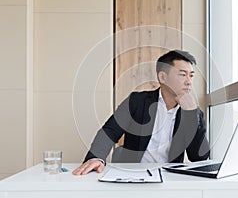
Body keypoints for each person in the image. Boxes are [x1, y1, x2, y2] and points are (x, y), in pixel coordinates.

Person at [73, 50, 210, 175]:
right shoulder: (137, 101)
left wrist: (191, 116)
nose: (189, 82)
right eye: (182, 75)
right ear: (163, 77)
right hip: (133, 174)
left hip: (169, 178)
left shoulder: (193, 112)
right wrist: (96, 158)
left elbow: (199, 157)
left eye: (191, 76)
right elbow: (109, 132)